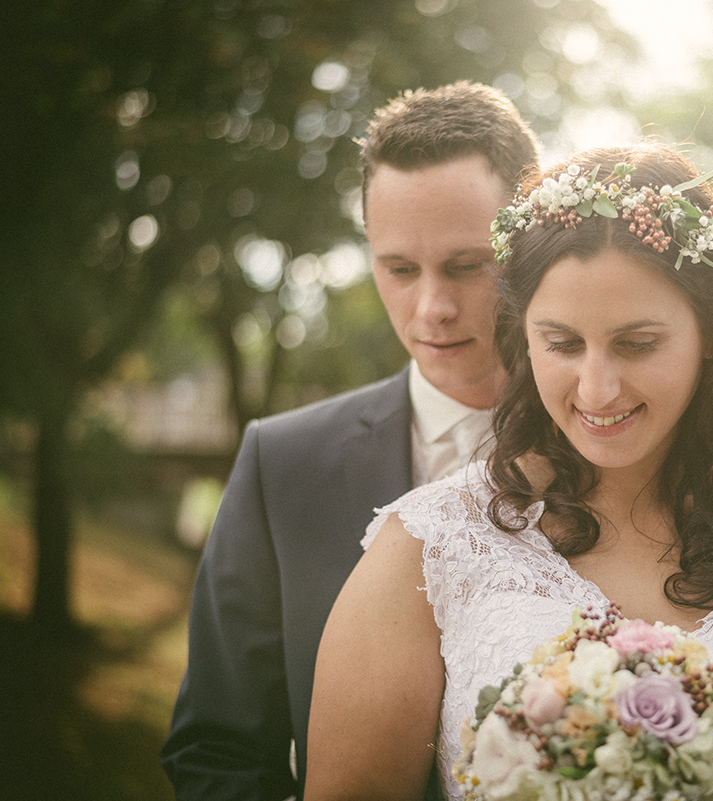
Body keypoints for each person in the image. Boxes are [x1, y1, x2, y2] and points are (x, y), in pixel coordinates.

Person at [304, 143, 713, 801]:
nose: (597, 389)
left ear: (711, 337)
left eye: (637, 343)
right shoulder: (431, 546)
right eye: (563, 343)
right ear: (525, 339)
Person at [159, 82, 541, 800]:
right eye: (399, 269)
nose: (431, 307)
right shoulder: (283, 462)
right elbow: (216, 747)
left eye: (466, 264)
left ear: (529, 245)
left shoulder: (619, 455)